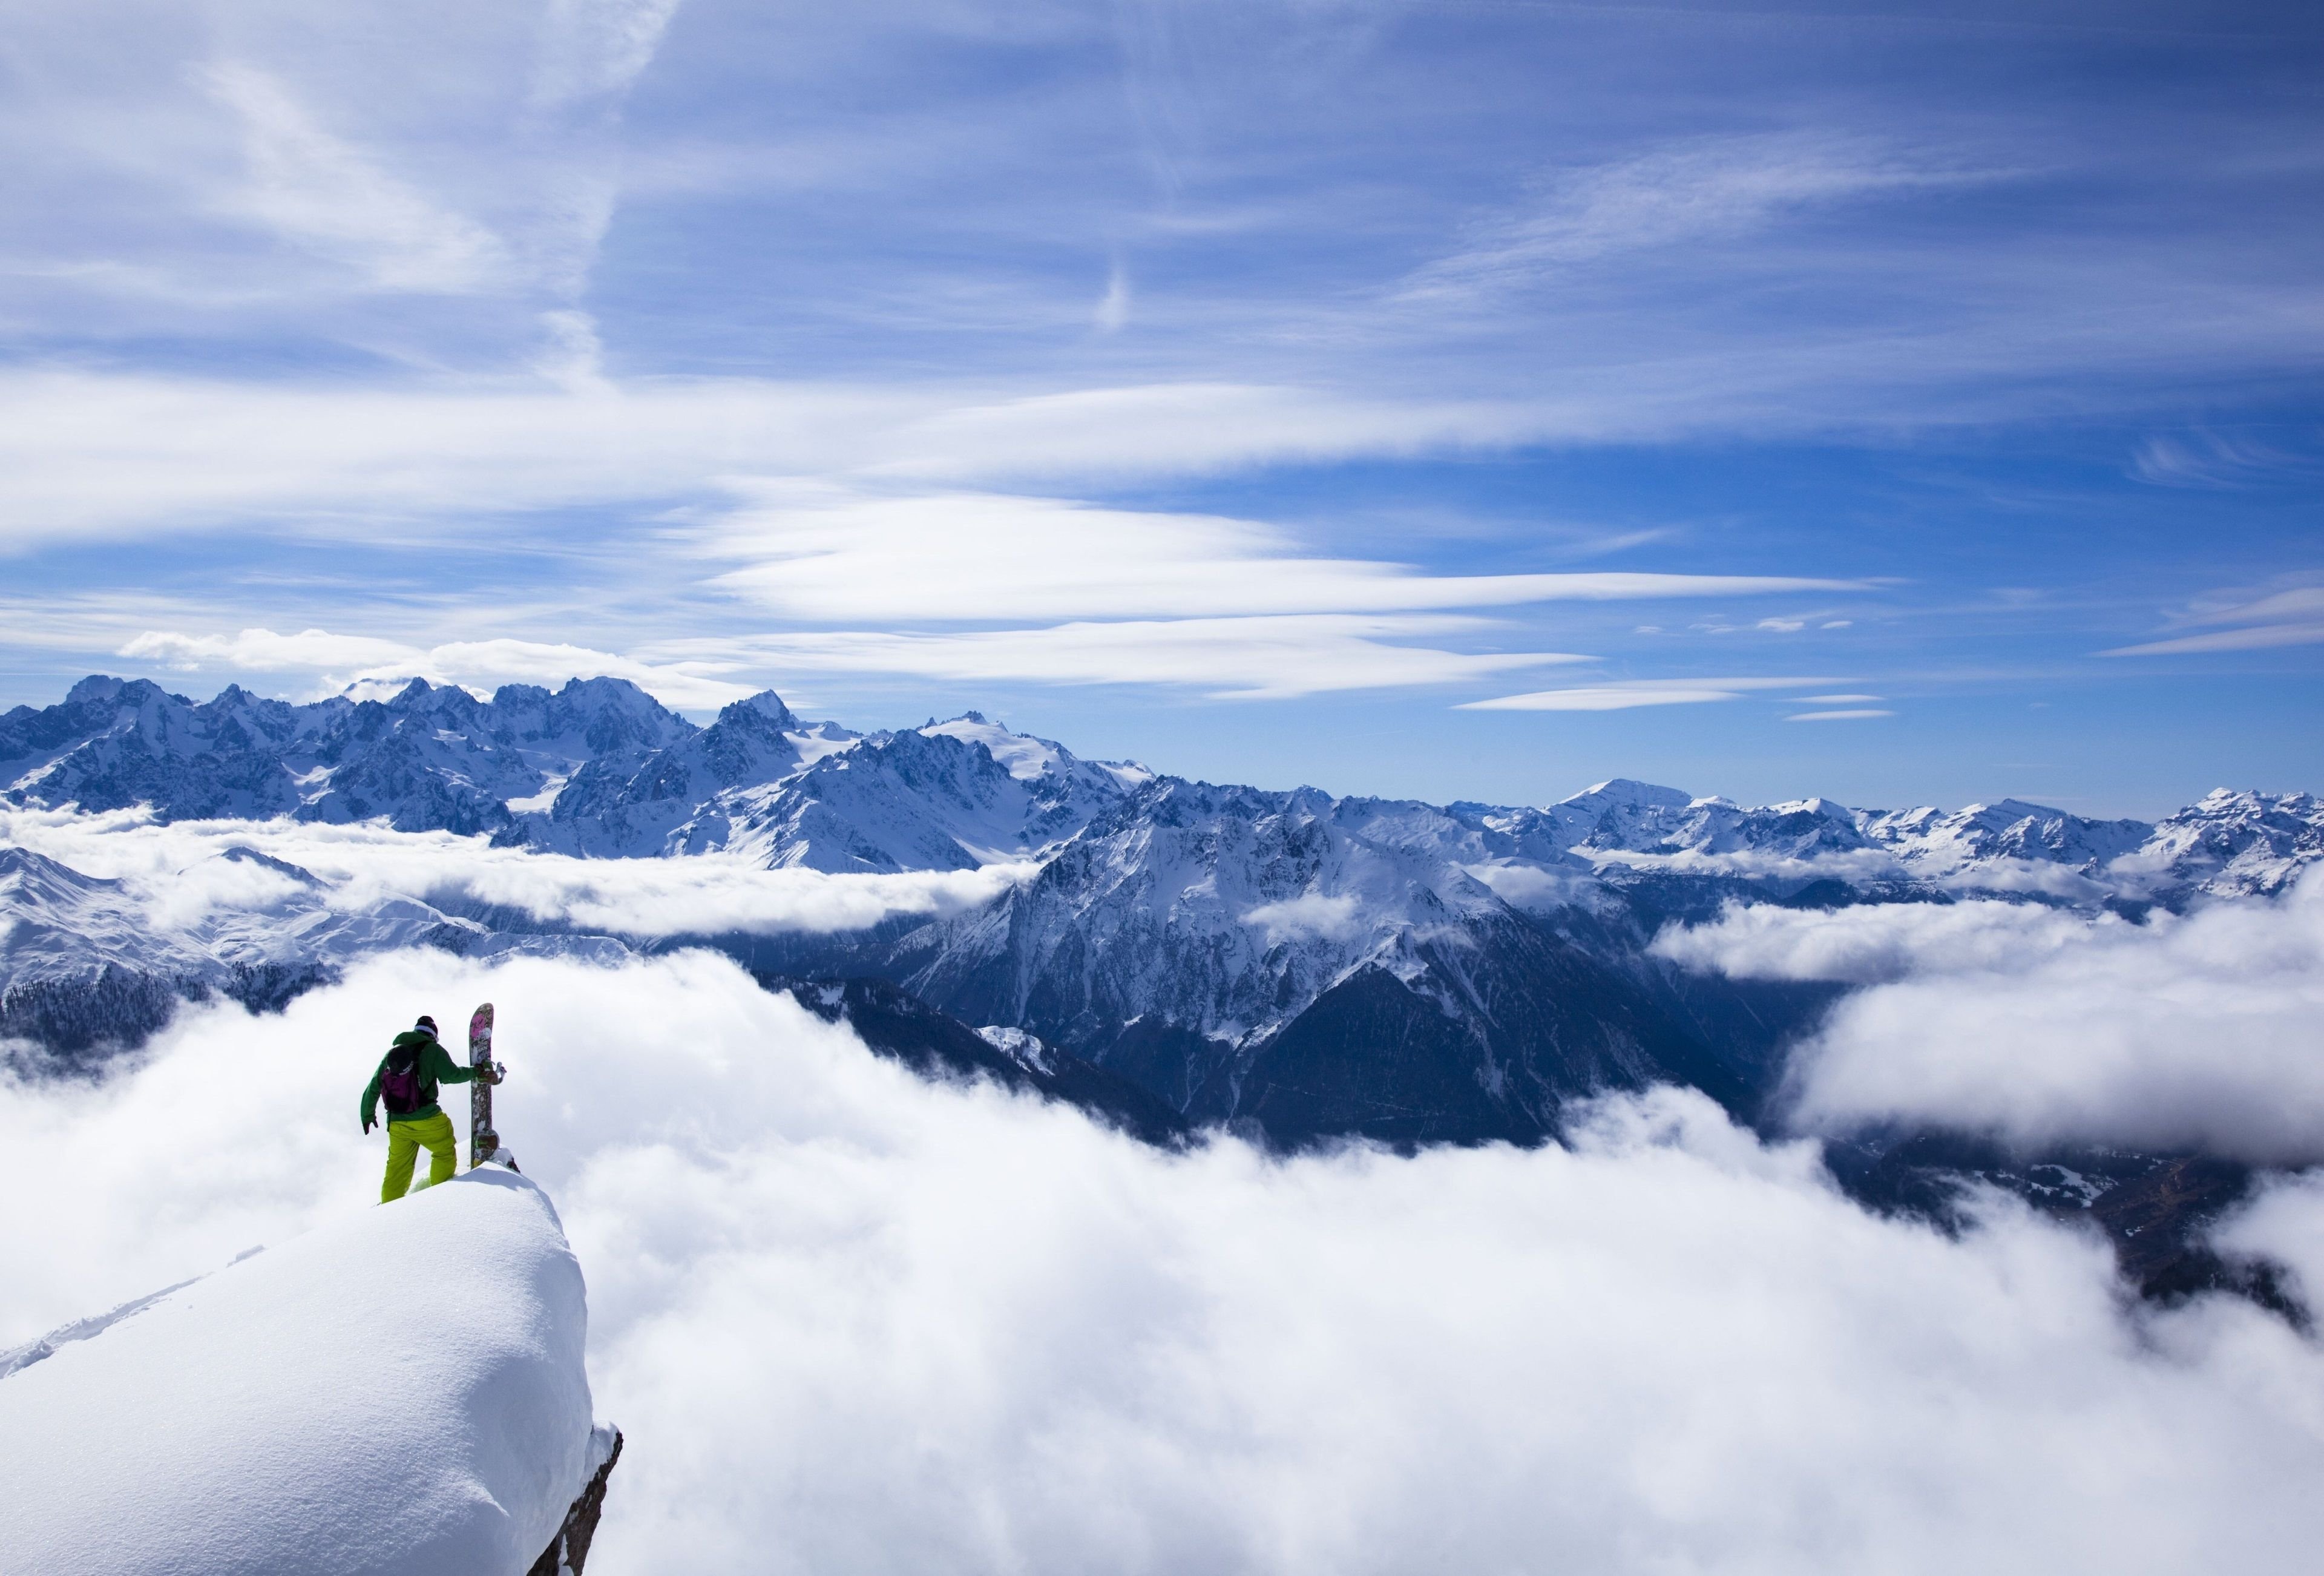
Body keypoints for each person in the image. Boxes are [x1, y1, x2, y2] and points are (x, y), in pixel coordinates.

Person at [360, 1014, 501, 1203]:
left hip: (397, 1123)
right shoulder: (433, 1050)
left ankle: (388, 1207)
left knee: (397, 1167)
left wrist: (367, 1115)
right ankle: (440, 1198)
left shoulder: (393, 1053)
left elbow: (374, 1086)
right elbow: (452, 1076)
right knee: (444, 1152)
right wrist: (477, 1072)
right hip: (427, 1119)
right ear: (433, 1035)